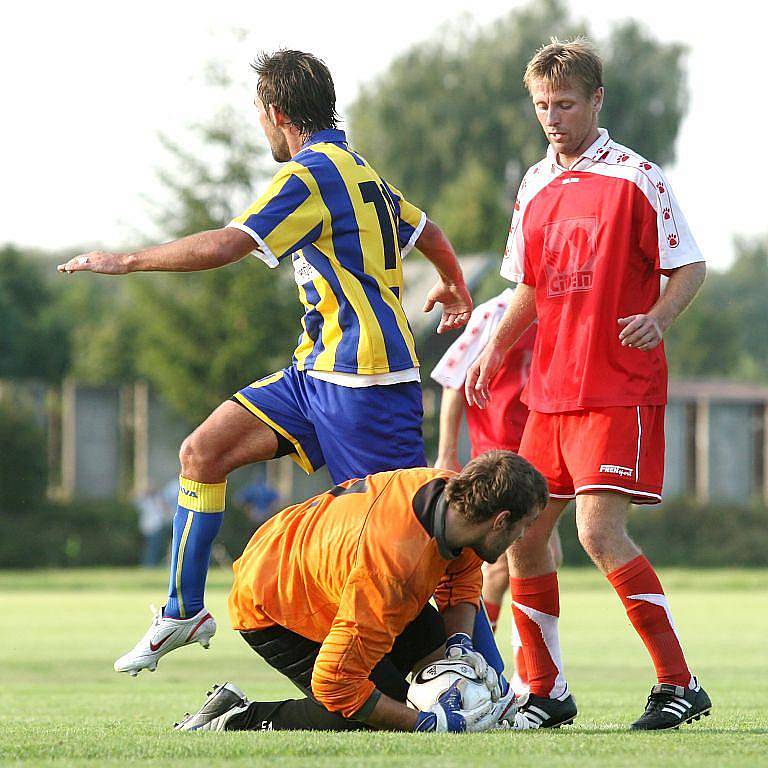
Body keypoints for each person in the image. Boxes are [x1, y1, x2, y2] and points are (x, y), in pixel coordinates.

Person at [57, 50, 473, 676]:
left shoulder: (310, 174)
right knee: (203, 453)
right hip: (316, 373)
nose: (258, 122)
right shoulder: (359, 171)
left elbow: (231, 243)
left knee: (422, 530)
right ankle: (182, 610)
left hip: (366, 383)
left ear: (276, 114)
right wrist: (453, 283)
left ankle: (474, 670)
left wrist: (127, 261)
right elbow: (430, 232)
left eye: (257, 111)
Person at [465, 38, 710, 731]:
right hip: (550, 395)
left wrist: (660, 317)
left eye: (565, 104)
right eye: (542, 105)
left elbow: (689, 267)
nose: (552, 117)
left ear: (596, 100)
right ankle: (543, 691)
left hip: (617, 386)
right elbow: (530, 288)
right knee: (523, 535)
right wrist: (492, 349)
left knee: (598, 532)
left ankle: (678, 683)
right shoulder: (535, 186)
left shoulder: (638, 178)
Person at [173, 451, 548, 733]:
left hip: (321, 563)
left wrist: (458, 648)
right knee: (372, 711)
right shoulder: (392, 571)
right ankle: (236, 716)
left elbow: (461, 581)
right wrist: (428, 724)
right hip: (274, 597)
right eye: (524, 526)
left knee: (437, 648)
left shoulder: (458, 500)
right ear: (501, 521)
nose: (523, 537)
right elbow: (336, 683)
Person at [432, 290, 561, 694]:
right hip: (500, 460)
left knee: (543, 556)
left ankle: (508, 668)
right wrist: (447, 454)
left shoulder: (563, 305)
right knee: (506, 564)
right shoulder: (497, 312)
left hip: (537, 453)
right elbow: (453, 379)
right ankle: (476, 661)